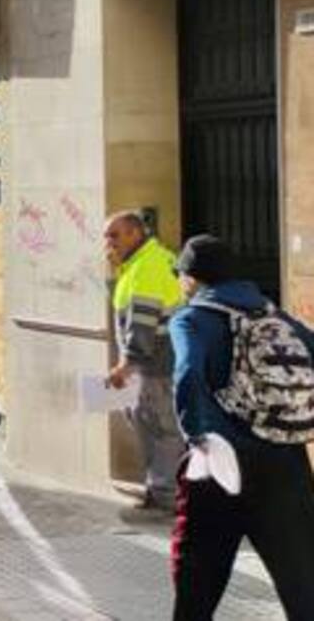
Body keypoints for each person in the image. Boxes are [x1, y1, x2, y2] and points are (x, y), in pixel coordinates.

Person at [168, 235, 314, 620]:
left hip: (221, 464)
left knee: (197, 584)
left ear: (192, 279)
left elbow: (187, 373)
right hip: (287, 463)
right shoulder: (278, 318)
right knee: (301, 582)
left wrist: (199, 436)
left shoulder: (192, 317)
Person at [103, 211, 186, 517]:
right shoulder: (143, 262)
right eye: (106, 236)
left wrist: (126, 365)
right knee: (148, 423)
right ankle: (163, 490)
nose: (107, 243)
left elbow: (142, 323)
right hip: (155, 364)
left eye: (114, 235)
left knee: (162, 430)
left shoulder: (147, 266)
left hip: (156, 365)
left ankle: (166, 498)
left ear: (135, 234)